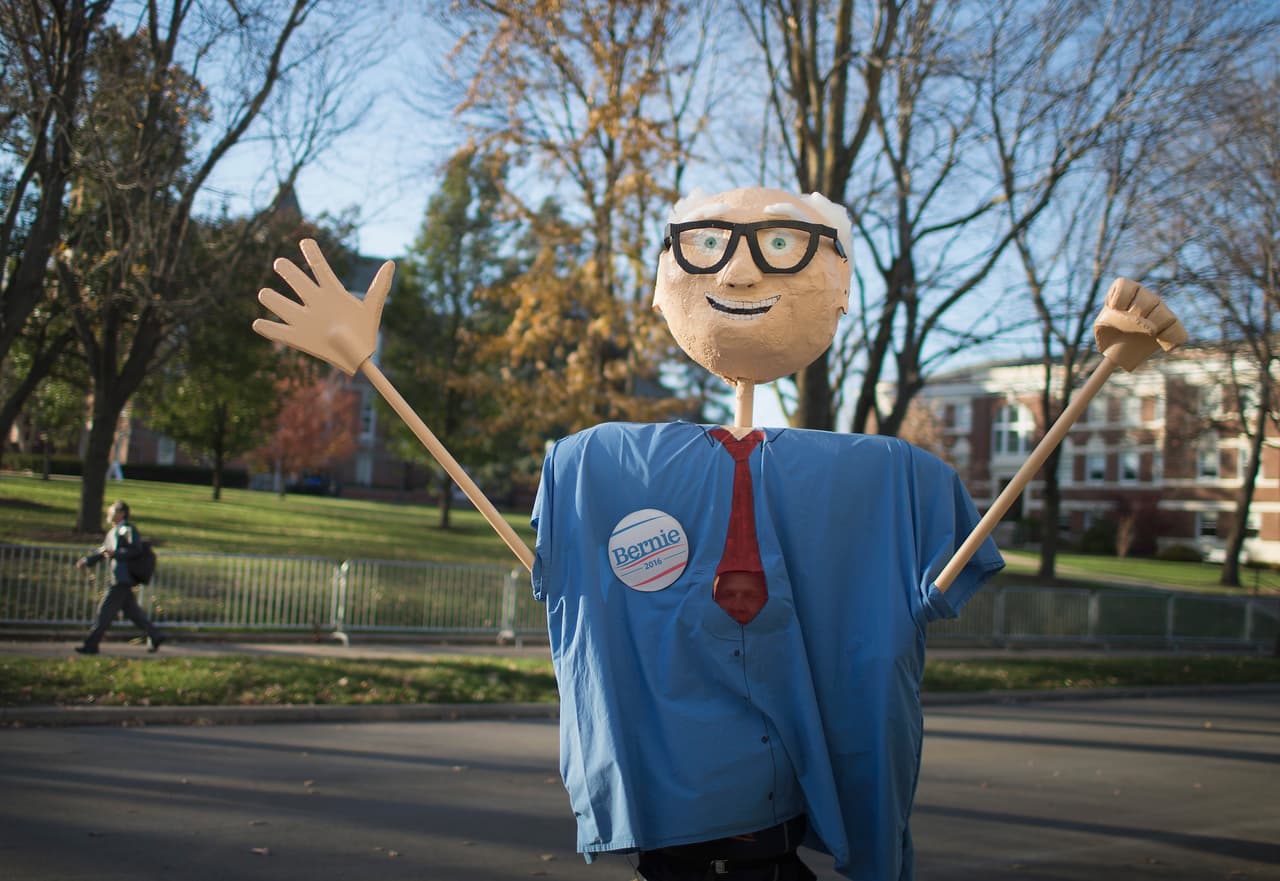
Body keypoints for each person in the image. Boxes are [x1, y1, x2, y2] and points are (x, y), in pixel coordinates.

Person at [253, 185, 1181, 881]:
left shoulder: (892, 482)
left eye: (782, 246)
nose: (738, 271)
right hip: (679, 825)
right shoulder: (594, 470)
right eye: (708, 246)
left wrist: (1103, 375)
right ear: (665, 283)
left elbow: (943, 568)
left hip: (778, 831)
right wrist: (366, 370)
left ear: (838, 284)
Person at [74, 500, 165, 655]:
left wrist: (117, 553)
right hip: (118, 578)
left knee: (104, 613)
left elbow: (136, 549)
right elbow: (103, 551)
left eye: (113, 511)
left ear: (122, 513)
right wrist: (86, 561)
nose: (109, 514)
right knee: (133, 613)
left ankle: (91, 645)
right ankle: (155, 635)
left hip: (121, 579)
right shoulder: (113, 531)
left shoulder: (127, 529)